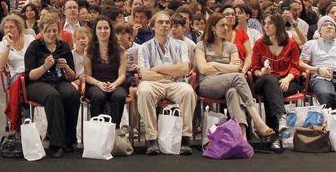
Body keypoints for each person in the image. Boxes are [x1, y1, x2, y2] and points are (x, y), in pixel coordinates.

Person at [194, 12, 274, 144]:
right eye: (222, 25)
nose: (226, 28)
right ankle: (257, 120)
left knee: (233, 92)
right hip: (207, 84)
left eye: (227, 25)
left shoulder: (231, 47)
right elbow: (203, 69)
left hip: (229, 82)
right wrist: (227, 66)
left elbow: (237, 67)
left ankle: (242, 136)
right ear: (213, 28)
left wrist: (214, 64)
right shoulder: (201, 45)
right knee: (237, 77)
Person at [135, 10, 197, 155]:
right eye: (160, 22)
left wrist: (158, 69)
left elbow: (184, 68)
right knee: (143, 91)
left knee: (188, 92)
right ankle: (151, 139)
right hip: (154, 84)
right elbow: (144, 73)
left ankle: (185, 138)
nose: (164, 25)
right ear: (153, 27)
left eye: (167, 22)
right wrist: (169, 74)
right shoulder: (145, 47)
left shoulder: (181, 45)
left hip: (176, 84)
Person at [23, 12, 79, 158]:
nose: (52, 34)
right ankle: (56, 144)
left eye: (55, 30)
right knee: (52, 96)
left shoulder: (64, 47)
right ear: (42, 31)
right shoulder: (34, 47)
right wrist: (45, 67)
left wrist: (66, 67)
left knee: (72, 94)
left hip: (59, 80)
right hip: (37, 83)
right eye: (48, 30)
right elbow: (30, 75)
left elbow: (72, 76)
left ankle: (69, 140)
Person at [249, 12, 300, 149]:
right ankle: (281, 116)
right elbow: (255, 68)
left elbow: (295, 67)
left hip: (287, 80)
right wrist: (262, 72)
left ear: (278, 25)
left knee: (271, 92)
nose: (266, 26)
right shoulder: (260, 44)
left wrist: (288, 79)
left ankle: (274, 137)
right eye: (264, 23)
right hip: (263, 79)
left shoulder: (291, 44)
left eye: (270, 23)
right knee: (271, 81)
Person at [83, 17, 128, 126]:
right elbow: (87, 76)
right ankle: (98, 128)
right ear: (95, 31)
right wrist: (99, 83)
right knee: (98, 96)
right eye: (99, 28)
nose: (103, 31)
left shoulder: (120, 50)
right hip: (95, 84)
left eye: (106, 28)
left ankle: (114, 129)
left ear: (110, 30)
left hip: (116, 83)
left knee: (119, 96)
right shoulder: (88, 50)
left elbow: (122, 75)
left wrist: (115, 84)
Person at [0, 13, 30, 87]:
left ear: (19, 28)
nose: (8, 30)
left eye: (11, 27)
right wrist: (8, 45)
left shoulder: (29, 39)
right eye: (6, 27)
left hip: (32, 72)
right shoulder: (2, 44)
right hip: (17, 75)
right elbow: (0, 65)